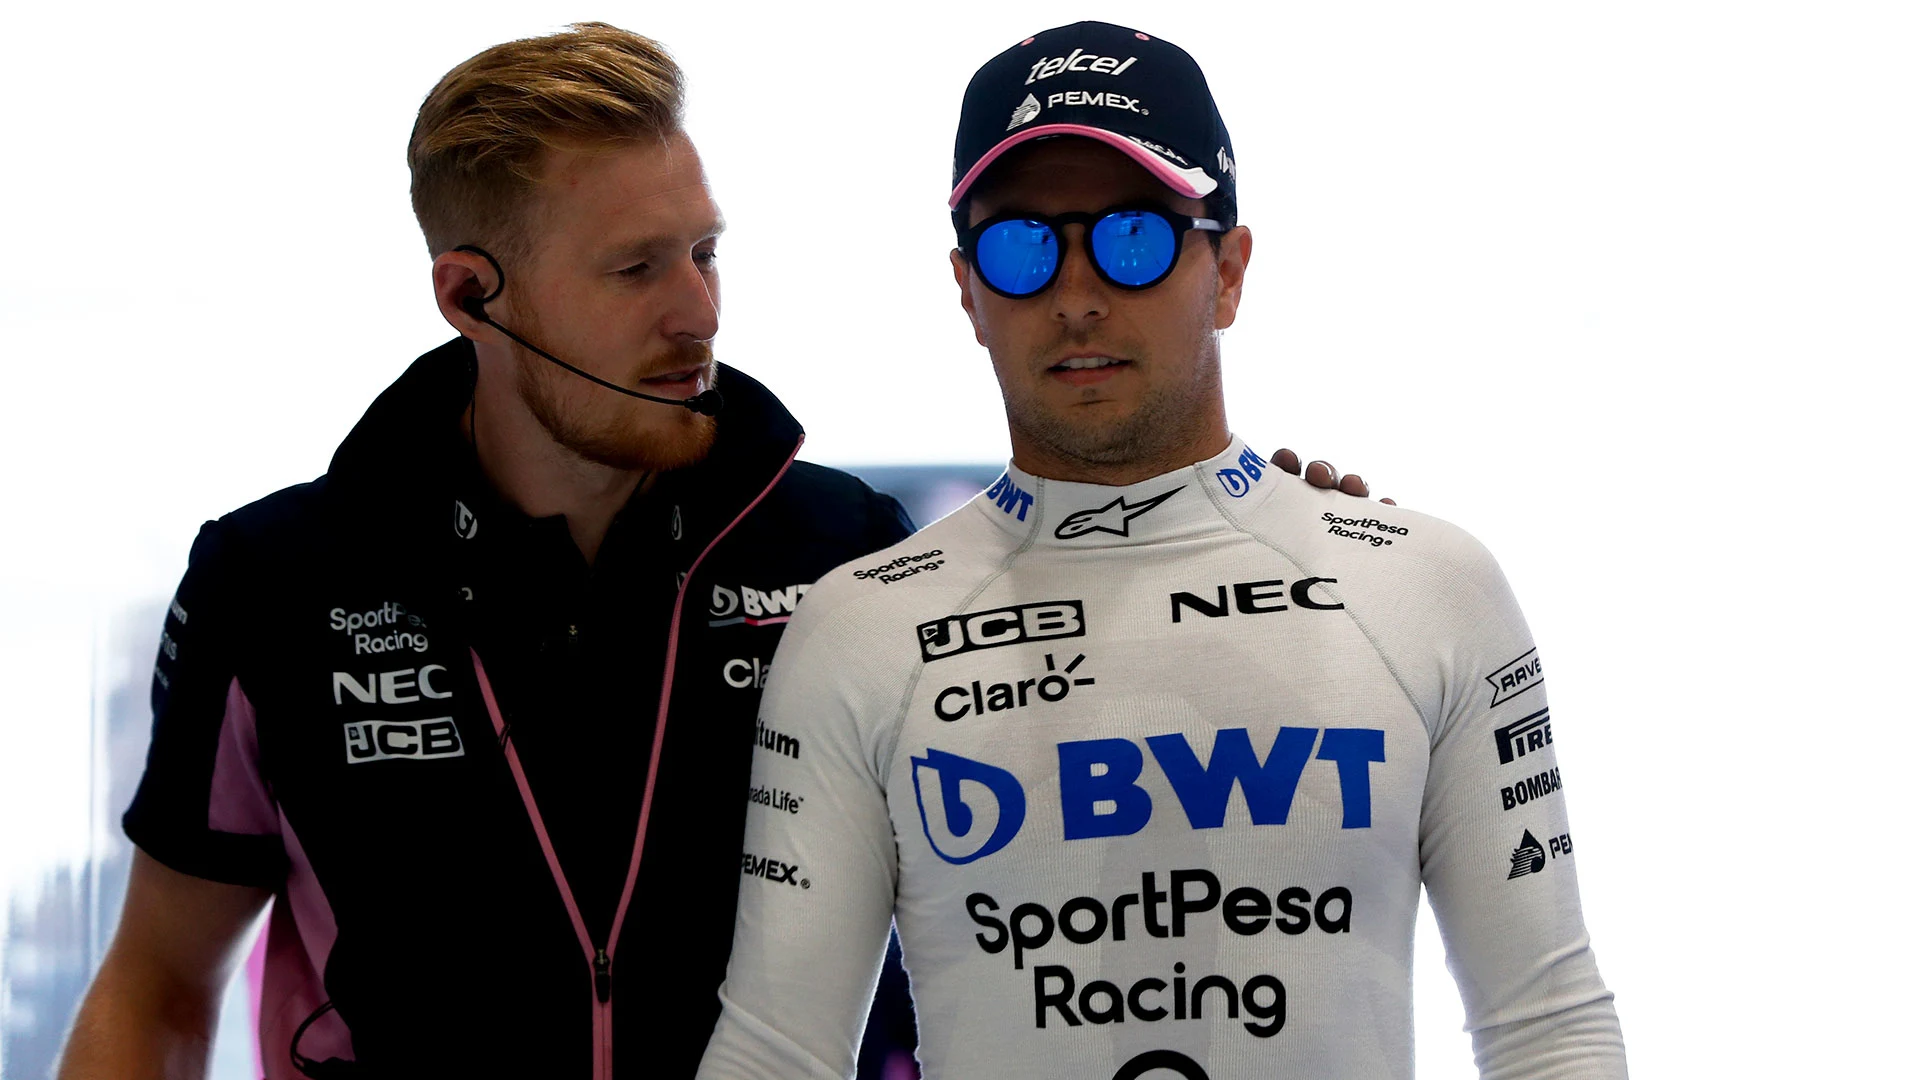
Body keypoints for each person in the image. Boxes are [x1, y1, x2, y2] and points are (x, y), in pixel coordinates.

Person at [55, 21, 1378, 1080]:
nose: (699, 313)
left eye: (706, 252)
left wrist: (1253, 596)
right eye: (636, 271)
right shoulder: (279, 584)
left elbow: (1103, 901)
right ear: (471, 294)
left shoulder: (844, 552)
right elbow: (160, 985)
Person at [698, 21, 1626, 1080]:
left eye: (1135, 236)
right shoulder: (860, 628)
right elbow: (776, 1053)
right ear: (968, 292)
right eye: (1023, 246)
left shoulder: (1426, 587)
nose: (1078, 292)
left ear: (1227, 269)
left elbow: (1548, 1026)